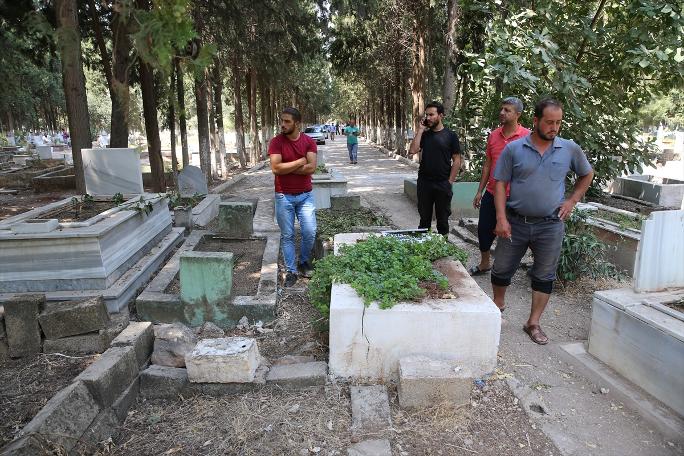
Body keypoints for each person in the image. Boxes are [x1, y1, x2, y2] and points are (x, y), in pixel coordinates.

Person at [491, 98, 594, 345]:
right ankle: (497, 308)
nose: (554, 127)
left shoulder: (569, 149)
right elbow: (500, 183)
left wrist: (571, 201)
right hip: (515, 222)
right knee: (502, 269)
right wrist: (501, 218)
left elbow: (586, 174)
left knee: (544, 275)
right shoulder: (514, 149)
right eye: (549, 122)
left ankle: (533, 322)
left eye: (558, 122)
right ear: (536, 121)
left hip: (550, 224)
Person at [470, 97, 530, 276]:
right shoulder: (494, 135)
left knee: (518, 233)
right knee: (484, 230)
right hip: (492, 192)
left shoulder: (528, 137)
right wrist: (480, 190)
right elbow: (488, 164)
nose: (502, 112)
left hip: (516, 196)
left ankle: (509, 270)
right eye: (501, 109)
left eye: (507, 110)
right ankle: (485, 262)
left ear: (518, 115)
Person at [268, 107, 318, 288]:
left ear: (297, 123)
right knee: (288, 235)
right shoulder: (276, 142)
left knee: (309, 232)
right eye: (282, 120)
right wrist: (299, 162)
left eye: (287, 121)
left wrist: (286, 167)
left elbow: (312, 168)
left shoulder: (309, 142)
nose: (283, 124)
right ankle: (291, 270)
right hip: (283, 196)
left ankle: (304, 261)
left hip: (305, 195)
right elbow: (276, 169)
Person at [408, 101, 462, 236]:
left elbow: (457, 160)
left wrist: (450, 181)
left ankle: (443, 250)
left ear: (441, 115)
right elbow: (412, 150)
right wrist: (420, 130)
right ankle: (423, 249)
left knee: (442, 220)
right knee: (424, 219)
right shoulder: (425, 135)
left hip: (443, 183)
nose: (428, 118)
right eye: (427, 115)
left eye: (432, 115)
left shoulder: (451, 136)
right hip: (424, 182)